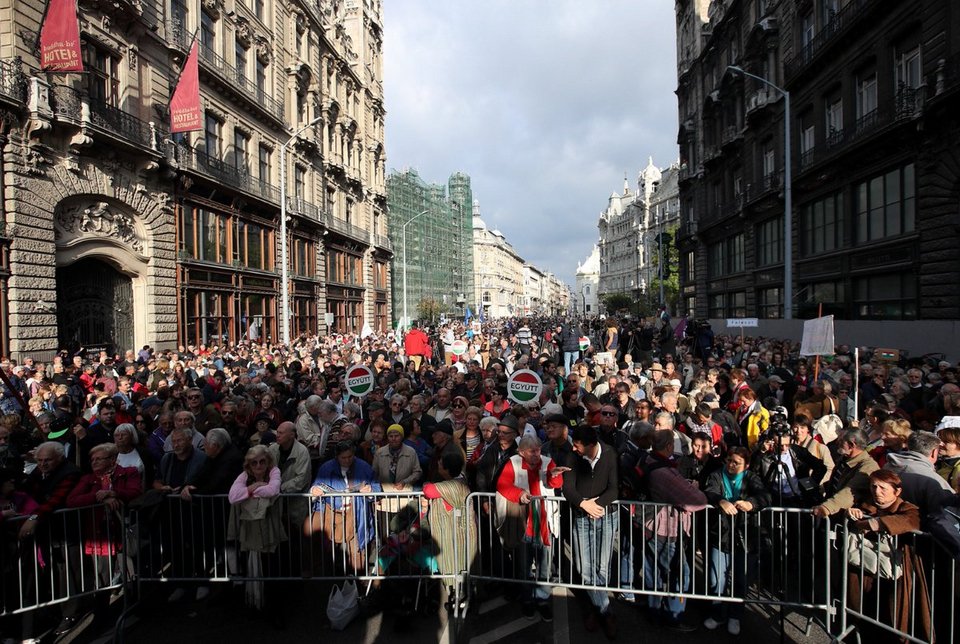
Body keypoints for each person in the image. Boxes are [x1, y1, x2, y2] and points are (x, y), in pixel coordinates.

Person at [845, 470, 932, 642]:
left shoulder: (907, 508)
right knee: (866, 612)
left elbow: (911, 520)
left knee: (894, 615)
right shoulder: (866, 505)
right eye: (874, 486)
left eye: (883, 488)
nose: (877, 491)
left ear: (897, 491)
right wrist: (851, 513)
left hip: (896, 573)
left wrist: (875, 523)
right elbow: (851, 517)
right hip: (867, 570)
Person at [495, 435, 568, 620]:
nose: (537, 454)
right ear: (521, 452)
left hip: (545, 521)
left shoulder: (548, 461)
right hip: (523, 523)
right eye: (532, 451)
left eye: (538, 450)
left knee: (545, 565)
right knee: (524, 565)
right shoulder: (512, 463)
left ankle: (542, 599)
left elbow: (555, 485)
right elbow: (502, 485)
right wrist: (519, 494)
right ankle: (527, 600)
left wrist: (555, 476)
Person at [642, 430, 708, 632]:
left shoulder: (649, 460)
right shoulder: (664, 471)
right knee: (680, 574)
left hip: (651, 525)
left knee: (654, 572)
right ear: (669, 446)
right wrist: (694, 489)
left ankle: (654, 613)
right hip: (665, 529)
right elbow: (697, 501)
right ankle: (673, 617)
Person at [702, 447, 770, 635]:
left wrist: (752, 504)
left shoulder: (752, 478)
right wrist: (721, 501)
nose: (731, 465)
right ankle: (717, 614)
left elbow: (765, 496)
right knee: (717, 579)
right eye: (729, 461)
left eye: (736, 463)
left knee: (741, 579)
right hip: (721, 534)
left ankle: (735, 615)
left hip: (745, 536)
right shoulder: (717, 475)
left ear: (746, 465)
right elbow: (710, 491)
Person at [562, 426, 619, 639]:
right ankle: (605, 611)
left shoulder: (610, 454)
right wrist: (583, 504)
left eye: (577, 446)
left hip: (606, 516)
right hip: (581, 516)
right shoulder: (572, 456)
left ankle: (595, 609)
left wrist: (598, 505)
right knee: (584, 568)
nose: (574, 449)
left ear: (590, 445)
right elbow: (568, 488)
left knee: (602, 568)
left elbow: (614, 488)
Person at [227, 445, 284, 612]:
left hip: (270, 528)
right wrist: (255, 487)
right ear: (248, 465)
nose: (258, 466)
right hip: (250, 529)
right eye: (254, 463)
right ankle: (254, 605)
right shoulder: (244, 476)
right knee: (251, 568)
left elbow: (273, 489)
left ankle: (275, 609)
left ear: (268, 462)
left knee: (272, 570)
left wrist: (248, 491)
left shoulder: (274, 472)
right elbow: (233, 496)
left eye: (262, 462)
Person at [309, 441, 381, 574]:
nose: (347, 460)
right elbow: (315, 486)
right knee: (331, 553)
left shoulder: (363, 466)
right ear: (337, 457)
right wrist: (315, 490)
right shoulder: (326, 468)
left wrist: (371, 489)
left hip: (357, 515)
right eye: (344, 458)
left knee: (356, 554)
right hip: (332, 516)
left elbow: (377, 486)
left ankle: (357, 582)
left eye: (350, 457)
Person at [812, 429, 880, 519]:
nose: (837, 443)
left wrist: (826, 508)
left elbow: (850, 491)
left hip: (849, 520)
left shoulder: (868, 467)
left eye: (841, 441)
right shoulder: (844, 459)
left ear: (851, 445)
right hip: (834, 514)